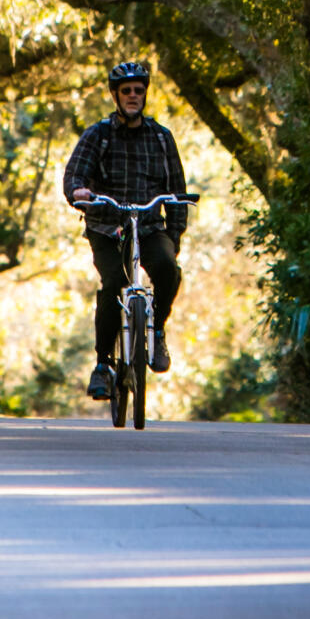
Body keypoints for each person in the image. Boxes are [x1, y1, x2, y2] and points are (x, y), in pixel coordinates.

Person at [64, 58, 187, 402]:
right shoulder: (98, 135)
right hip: (107, 227)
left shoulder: (161, 138)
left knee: (167, 270)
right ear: (116, 96)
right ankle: (103, 366)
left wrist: (173, 236)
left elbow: (176, 191)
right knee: (114, 284)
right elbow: (74, 175)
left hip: (147, 225)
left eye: (138, 90)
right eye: (126, 91)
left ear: (145, 94)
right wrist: (78, 192)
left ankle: (156, 330)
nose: (133, 96)